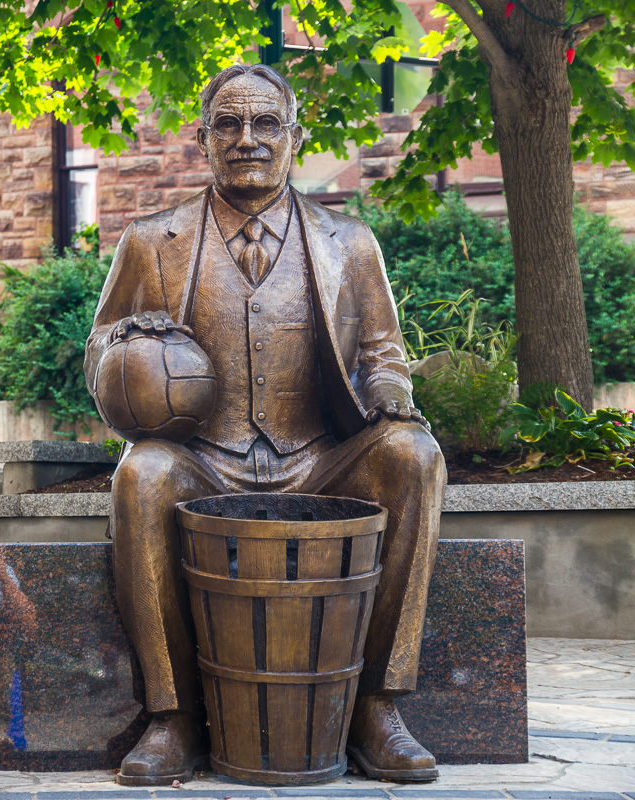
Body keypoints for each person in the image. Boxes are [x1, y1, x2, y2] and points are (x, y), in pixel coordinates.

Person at [84, 63, 446, 785]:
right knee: (142, 472)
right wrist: (127, 350)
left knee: (414, 454)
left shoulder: (352, 242)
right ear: (203, 138)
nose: (246, 138)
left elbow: (382, 351)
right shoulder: (153, 241)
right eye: (228, 123)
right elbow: (99, 344)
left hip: (316, 456)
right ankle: (173, 718)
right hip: (205, 459)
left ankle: (377, 706)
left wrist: (389, 394)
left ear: (294, 137)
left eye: (265, 124)